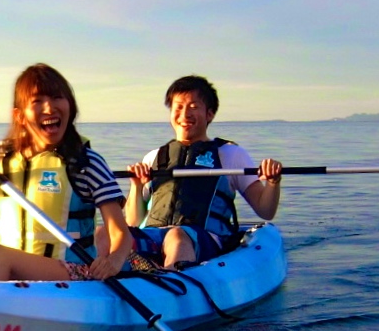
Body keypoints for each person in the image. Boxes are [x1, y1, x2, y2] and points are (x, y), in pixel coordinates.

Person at [0, 63, 133, 283]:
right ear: (20, 115)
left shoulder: (86, 163)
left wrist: (113, 261)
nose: (49, 108)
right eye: (38, 101)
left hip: (73, 274)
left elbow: (121, 234)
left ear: (70, 107)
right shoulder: (2, 158)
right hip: (12, 271)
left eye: (57, 98)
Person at [114, 75, 282, 269]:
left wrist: (273, 182)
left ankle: (173, 282)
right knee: (105, 233)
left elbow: (265, 210)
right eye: (178, 107)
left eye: (193, 107)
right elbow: (133, 221)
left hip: (205, 239)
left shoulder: (230, 155)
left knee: (176, 235)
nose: (184, 114)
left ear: (209, 114)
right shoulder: (154, 157)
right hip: (154, 236)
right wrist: (137, 185)